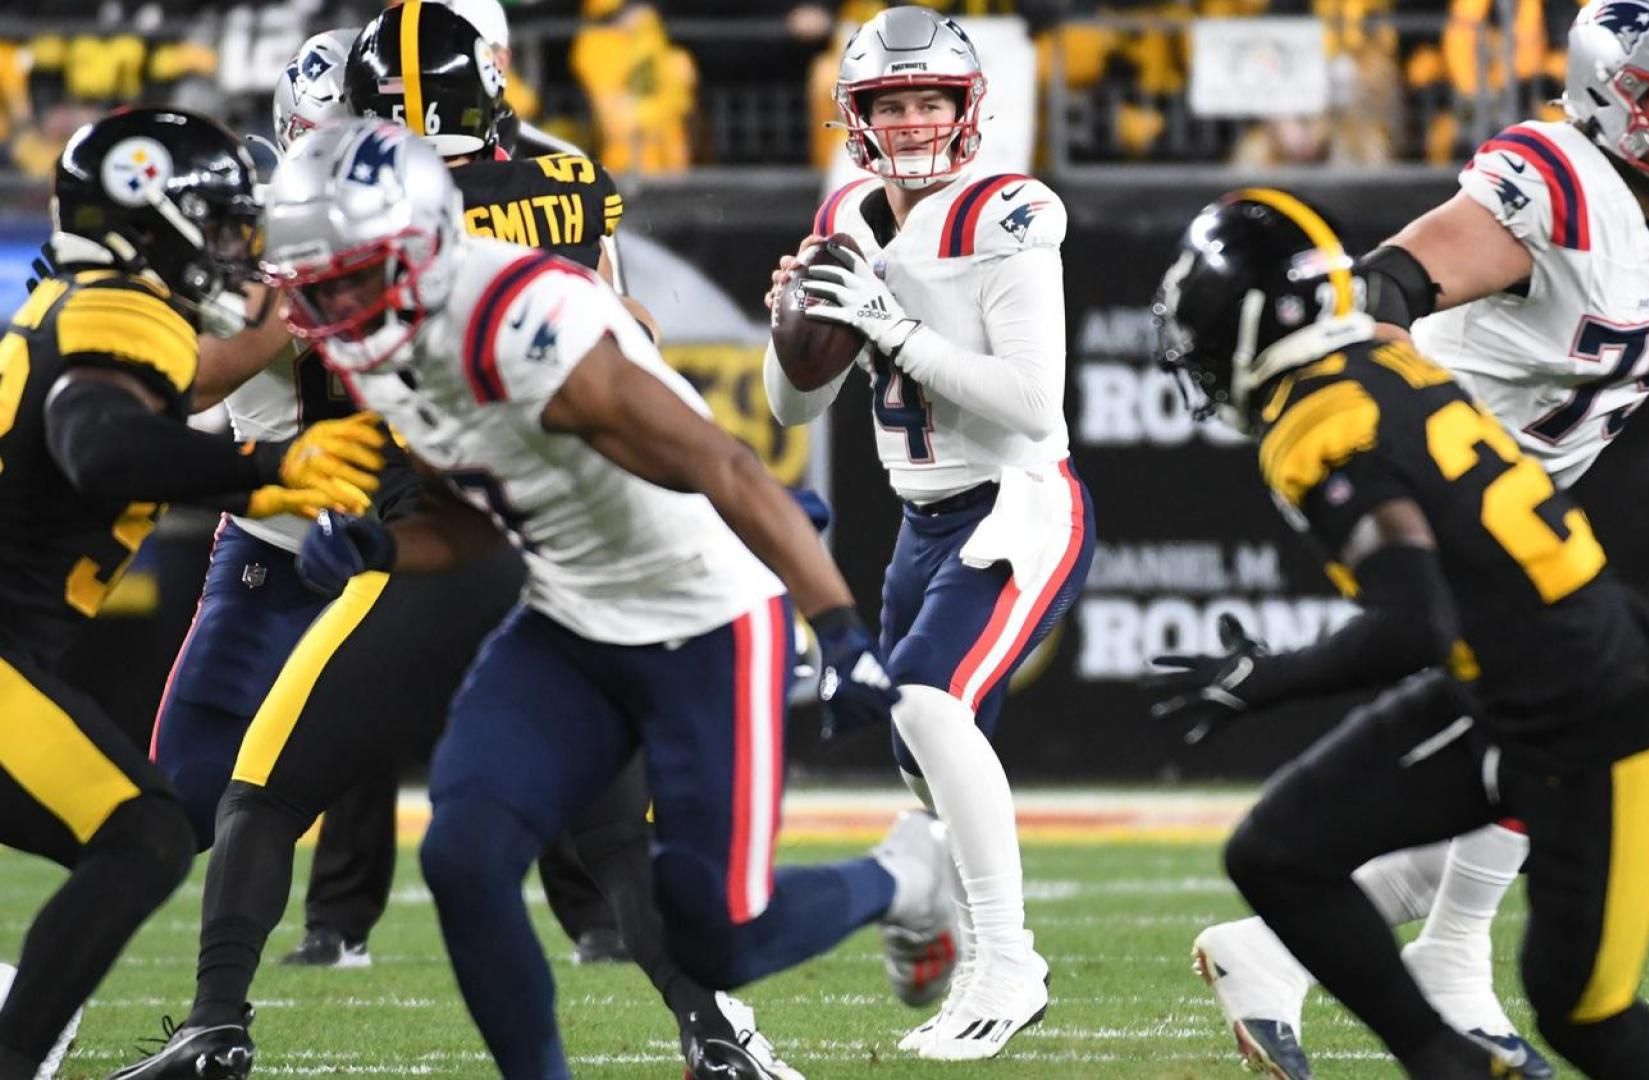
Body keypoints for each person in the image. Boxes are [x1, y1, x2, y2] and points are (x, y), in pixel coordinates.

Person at [1175, 2, 1649, 1074]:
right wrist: (1392, 435)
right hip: (1445, 497)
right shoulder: (1554, 184)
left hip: (1532, 502)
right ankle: (1381, 960)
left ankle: (1361, 958)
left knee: (1543, 746)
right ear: (1611, 96)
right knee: (1559, 730)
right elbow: (1386, 282)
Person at [119, 8, 799, 1078]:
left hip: (429, 529)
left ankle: (214, 1027)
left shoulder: (366, 234)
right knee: (613, 829)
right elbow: (639, 334)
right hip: (542, 553)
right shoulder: (557, 188)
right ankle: (718, 1037)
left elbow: (228, 360)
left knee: (264, 790)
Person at [265, 119, 956, 1080]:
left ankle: (904, 875)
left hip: (706, 620)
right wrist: (384, 543)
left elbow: (726, 464)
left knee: (715, 938)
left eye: (349, 275)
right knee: (463, 859)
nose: (330, 303)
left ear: (419, 243)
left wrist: (839, 631)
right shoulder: (378, 342)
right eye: (315, 283)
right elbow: (486, 508)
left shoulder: (521, 324)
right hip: (571, 619)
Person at [1154, 188, 1649, 1079]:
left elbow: (1413, 624)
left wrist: (1260, 679)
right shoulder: (1386, 363)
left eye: (1207, 328)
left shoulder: (1319, 422)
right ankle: (1447, 1059)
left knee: (1585, 1012)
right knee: (1276, 853)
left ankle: (1442, 1039)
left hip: (1608, 711)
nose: (1200, 354)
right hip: (1514, 682)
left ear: (1255, 327)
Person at [0, 107, 378, 1080]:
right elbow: (98, 442)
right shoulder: (117, 313)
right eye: (213, 222)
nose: (230, 245)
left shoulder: (98, 301)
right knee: (147, 834)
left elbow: (190, 379)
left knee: (144, 827)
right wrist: (264, 466)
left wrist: (284, 318)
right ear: (147, 215)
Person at [761, 4, 1095, 1060]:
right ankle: (939, 920)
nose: (910, 122)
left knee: (928, 701)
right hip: (921, 521)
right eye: (890, 103)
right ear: (856, 115)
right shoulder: (850, 214)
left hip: (1017, 497)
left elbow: (1032, 404)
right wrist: (795, 330)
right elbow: (790, 410)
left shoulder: (1006, 210)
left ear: (967, 107)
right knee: (922, 753)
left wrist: (889, 325)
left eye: (928, 101)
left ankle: (1009, 961)